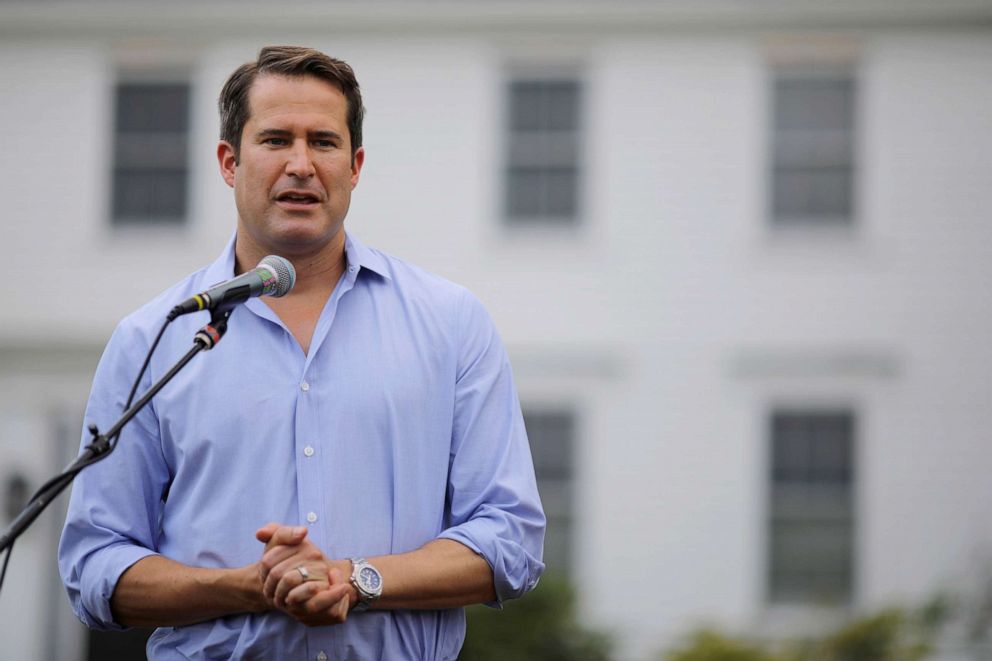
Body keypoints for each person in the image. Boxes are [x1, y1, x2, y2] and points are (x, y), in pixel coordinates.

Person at [58, 45, 545, 660]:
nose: (300, 164)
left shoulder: (450, 323)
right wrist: (246, 588)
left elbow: (511, 541)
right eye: (275, 140)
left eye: (323, 141)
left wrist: (356, 579)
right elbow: (96, 564)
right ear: (229, 162)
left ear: (355, 165)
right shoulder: (155, 337)